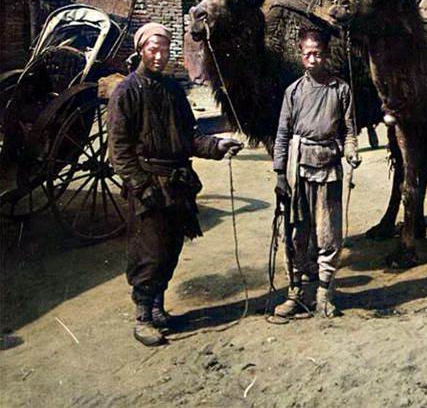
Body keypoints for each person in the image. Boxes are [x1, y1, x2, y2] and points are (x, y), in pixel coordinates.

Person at [108, 22, 243, 346]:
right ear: (141, 50)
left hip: (177, 183)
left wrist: (217, 146)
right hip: (149, 184)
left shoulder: (173, 91)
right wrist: (142, 186)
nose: (159, 56)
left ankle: (157, 308)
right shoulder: (127, 92)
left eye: (164, 49)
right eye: (153, 49)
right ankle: (142, 317)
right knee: (149, 253)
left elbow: (189, 138)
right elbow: (120, 150)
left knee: (170, 250)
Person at [272, 29, 360, 318]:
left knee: (328, 234)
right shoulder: (293, 92)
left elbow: (349, 131)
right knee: (296, 233)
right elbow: (282, 135)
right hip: (297, 169)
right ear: (301, 55)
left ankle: (324, 295)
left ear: (325, 54)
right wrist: (280, 174)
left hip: (329, 170)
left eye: (318, 53)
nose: (313, 59)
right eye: (307, 54)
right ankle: (295, 294)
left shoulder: (340, 90)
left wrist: (351, 152)